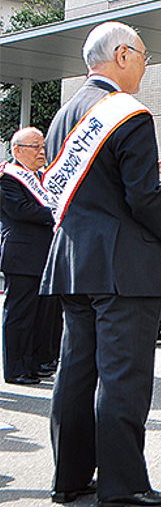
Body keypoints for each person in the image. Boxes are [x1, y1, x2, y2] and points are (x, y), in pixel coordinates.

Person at [41, 21, 161, 507]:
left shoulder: (65, 114)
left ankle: (71, 478)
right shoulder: (128, 113)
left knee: (76, 371)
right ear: (122, 55)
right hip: (123, 266)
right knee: (123, 375)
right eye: (144, 55)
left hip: (73, 261)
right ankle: (123, 484)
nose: (147, 64)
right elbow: (143, 197)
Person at [2, 128, 60, 385]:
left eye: (43, 146)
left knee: (43, 313)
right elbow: (21, 210)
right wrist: (58, 213)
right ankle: (16, 368)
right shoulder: (8, 178)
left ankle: (37, 362)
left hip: (45, 254)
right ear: (17, 150)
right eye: (35, 146)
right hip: (22, 254)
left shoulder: (42, 178)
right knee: (20, 314)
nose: (42, 151)